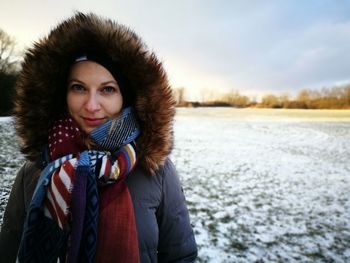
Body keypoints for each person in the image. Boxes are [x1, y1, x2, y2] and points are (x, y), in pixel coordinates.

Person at [0, 12, 197, 263]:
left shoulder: (156, 172)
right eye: (79, 87)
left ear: (125, 97)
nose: (92, 106)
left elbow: (181, 255)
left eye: (107, 89)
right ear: (62, 93)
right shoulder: (34, 172)